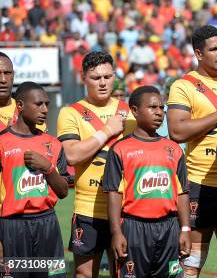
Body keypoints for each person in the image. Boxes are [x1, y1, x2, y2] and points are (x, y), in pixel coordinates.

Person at [167, 25, 217, 278]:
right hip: (199, 185)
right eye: (214, 49)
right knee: (191, 263)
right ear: (199, 54)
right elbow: (177, 132)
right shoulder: (184, 86)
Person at [57, 51, 135, 278]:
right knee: (83, 275)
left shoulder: (129, 112)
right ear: (84, 78)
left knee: (122, 273)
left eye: (107, 77)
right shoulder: (71, 113)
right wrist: (108, 131)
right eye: (95, 78)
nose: (102, 82)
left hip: (124, 209)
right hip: (87, 209)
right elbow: (71, 155)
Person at [103, 86, 191, 278]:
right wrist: (116, 232)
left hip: (169, 227)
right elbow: (113, 195)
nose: (159, 112)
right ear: (134, 110)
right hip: (133, 228)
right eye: (152, 107)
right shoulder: (119, 149)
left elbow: (182, 193)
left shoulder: (174, 149)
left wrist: (185, 229)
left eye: (161, 108)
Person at [0, 81, 69, 278]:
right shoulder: (2, 142)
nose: (45, 109)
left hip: (47, 224)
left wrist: (47, 168)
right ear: (20, 105)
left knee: (52, 276)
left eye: (47, 104)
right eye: (38, 104)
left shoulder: (54, 144)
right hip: (12, 227)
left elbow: (64, 192)